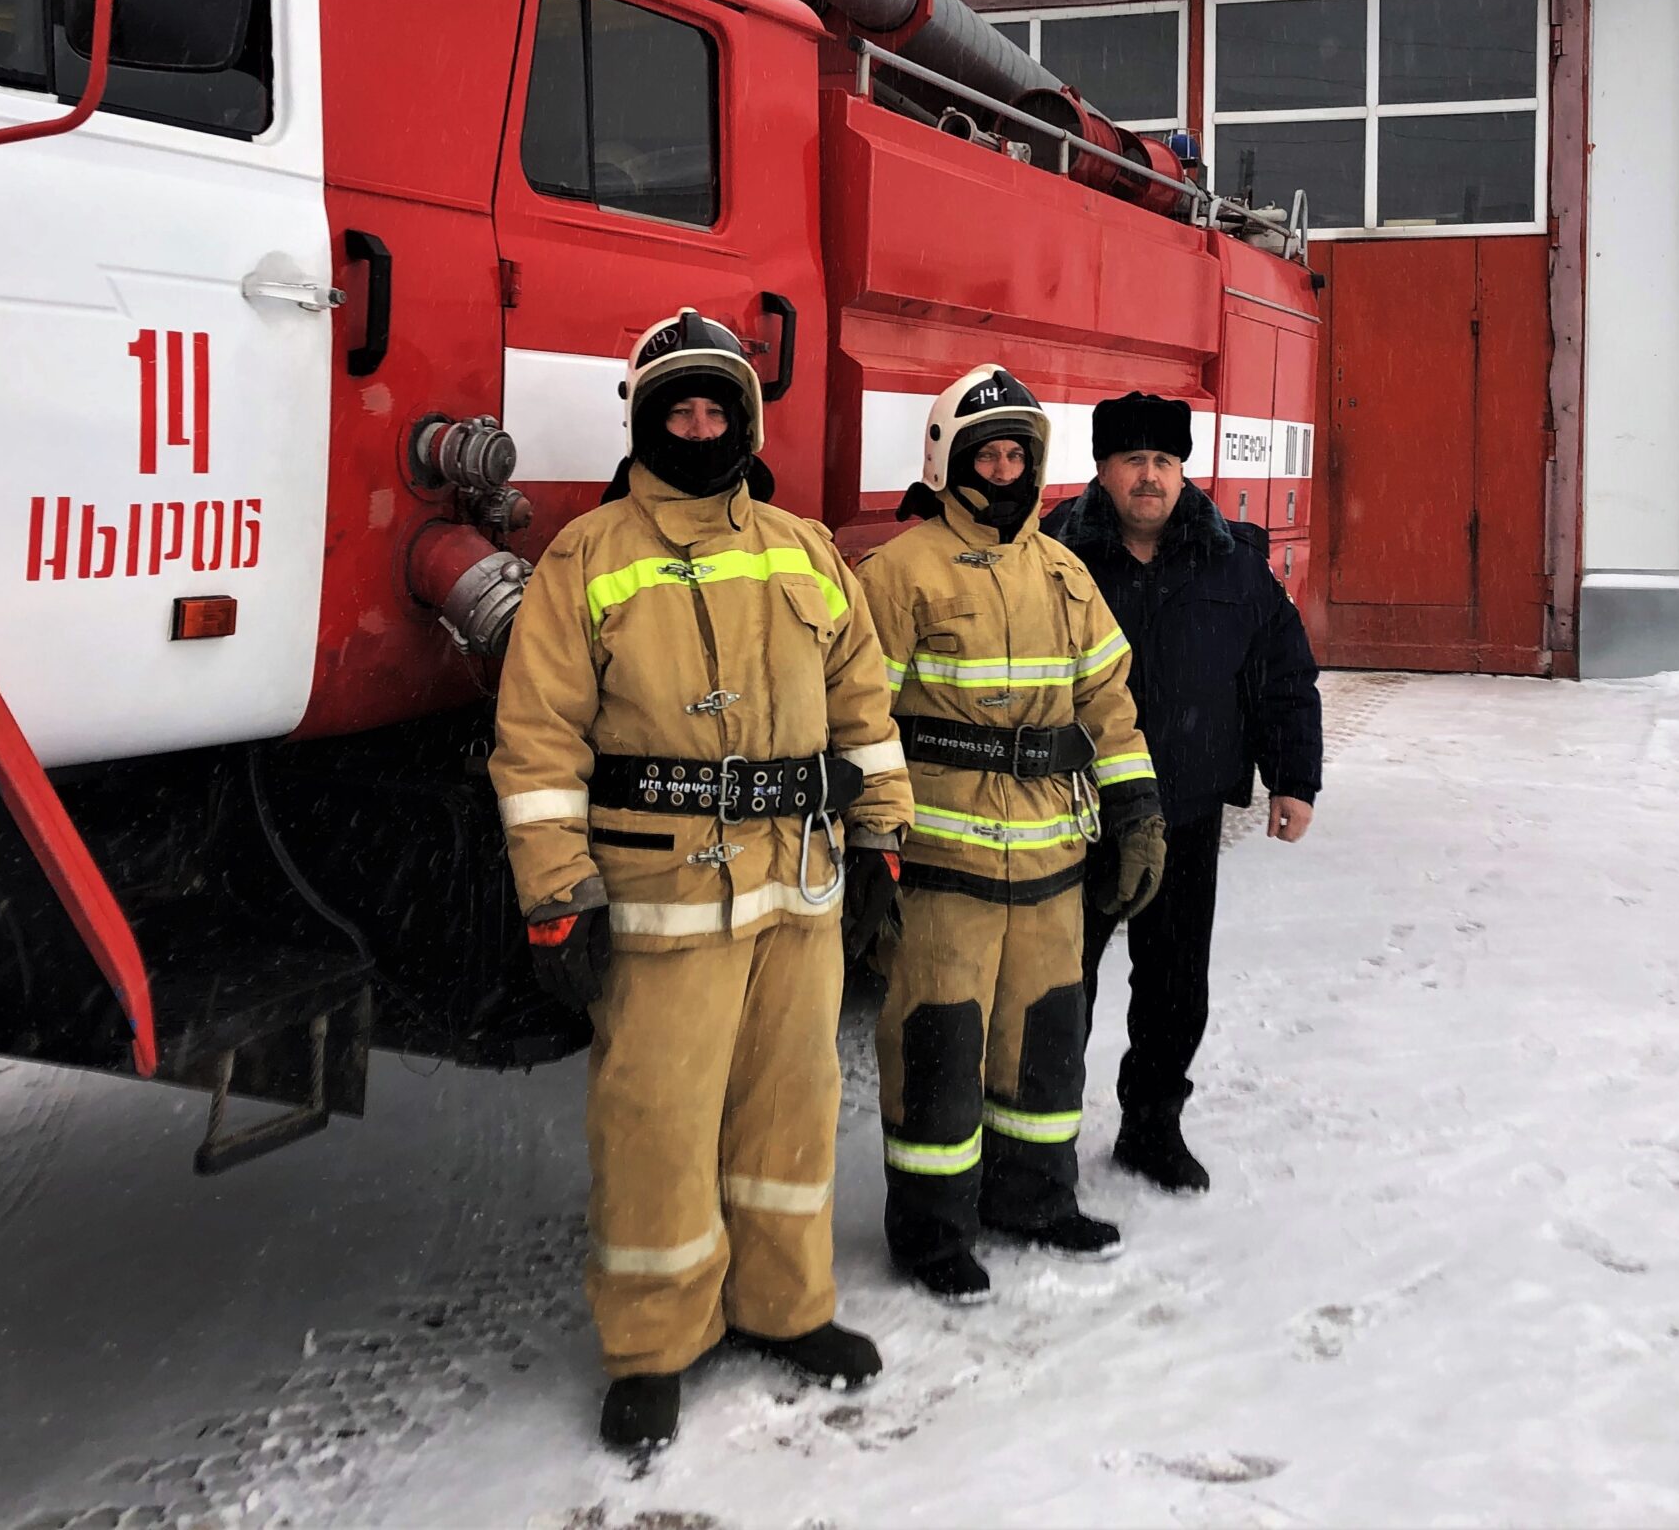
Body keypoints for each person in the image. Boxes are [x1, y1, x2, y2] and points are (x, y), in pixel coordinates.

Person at [489, 308, 914, 1456]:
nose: (696, 423)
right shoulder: (585, 558)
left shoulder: (807, 547)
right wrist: (557, 891)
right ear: (641, 419)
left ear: (745, 420)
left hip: (802, 890)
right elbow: (536, 744)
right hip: (660, 899)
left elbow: (864, 707)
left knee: (793, 1111)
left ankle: (786, 1308)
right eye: (675, 406)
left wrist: (881, 837)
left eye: (714, 406)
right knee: (656, 1124)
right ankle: (653, 1345)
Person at [855, 366, 1166, 1306]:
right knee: (939, 1049)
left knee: (1042, 1042)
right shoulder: (900, 573)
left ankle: (1033, 1199)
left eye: (1017, 454)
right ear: (949, 460)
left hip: (1051, 863)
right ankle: (932, 1232)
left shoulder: (1065, 575)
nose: (1004, 467)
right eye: (987, 452)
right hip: (943, 867)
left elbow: (1109, 704)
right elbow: (859, 715)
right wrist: (870, 841)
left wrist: (1137, 811)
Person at [1048, 392, 1324, 1196]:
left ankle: (1152, 1126)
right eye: (1133, 460)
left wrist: (1294, 779)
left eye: (1164, 461)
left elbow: (1284, 675)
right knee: (1059, 987)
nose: (1149, 477)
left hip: (1185, 808)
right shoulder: (1056, 555)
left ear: (1184, 470)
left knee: (1173, 988)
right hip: (1077, 810)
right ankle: (1043, 1137)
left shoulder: (1230, 561)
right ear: (1101, 469)